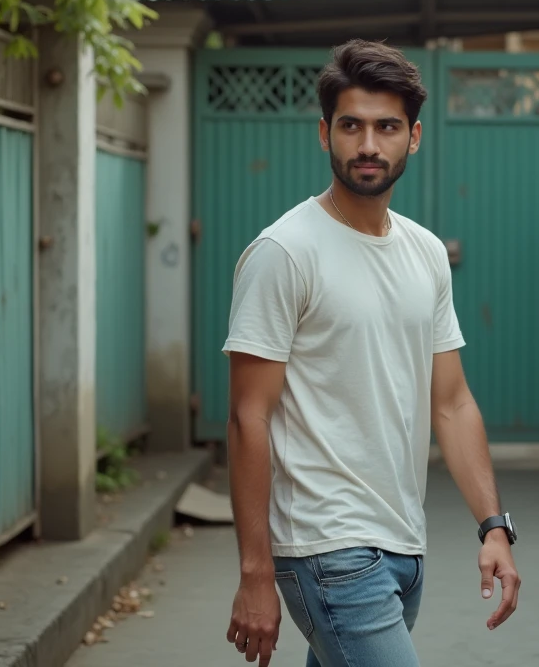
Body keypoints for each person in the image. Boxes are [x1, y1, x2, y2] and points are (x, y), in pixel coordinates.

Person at [222, 39, 521, 666]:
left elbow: (452, 402)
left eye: (386, 127)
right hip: (326, 547)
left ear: (413, 137)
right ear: (324, 133)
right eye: (351, 126)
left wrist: (494, 525)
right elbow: (249, 416)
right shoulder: (285, 253)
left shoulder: (425, 252)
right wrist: (255, 572)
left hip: (403, 544)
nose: (367, 145)